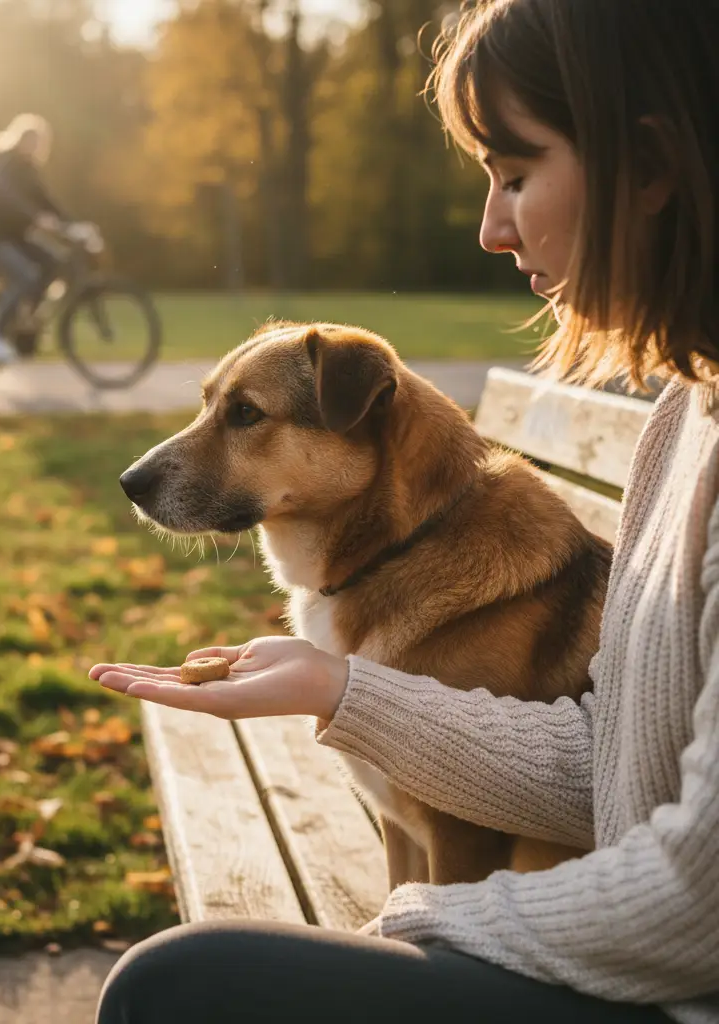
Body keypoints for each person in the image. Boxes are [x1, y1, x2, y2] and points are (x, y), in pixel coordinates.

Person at [89, 1, 719, 1021]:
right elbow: (611, 767)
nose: (490, 227)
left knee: (172, 987)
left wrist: (410, 926)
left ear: (648, 168)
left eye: (515, 174)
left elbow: (699, 906)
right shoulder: (686, 420)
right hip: (622, 955)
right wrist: (347, 691)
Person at [0, 113, 69, 364]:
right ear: (18, 139)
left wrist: (75, 225)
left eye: (38, 142)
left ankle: (26, 322)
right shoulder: (2, 164)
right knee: (25, 275)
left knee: (54, 262)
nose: (33, 146)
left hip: (15, 237)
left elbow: (47, 201)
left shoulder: (29, 170)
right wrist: (35, 217)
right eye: (29, 140)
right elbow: (7, 198)